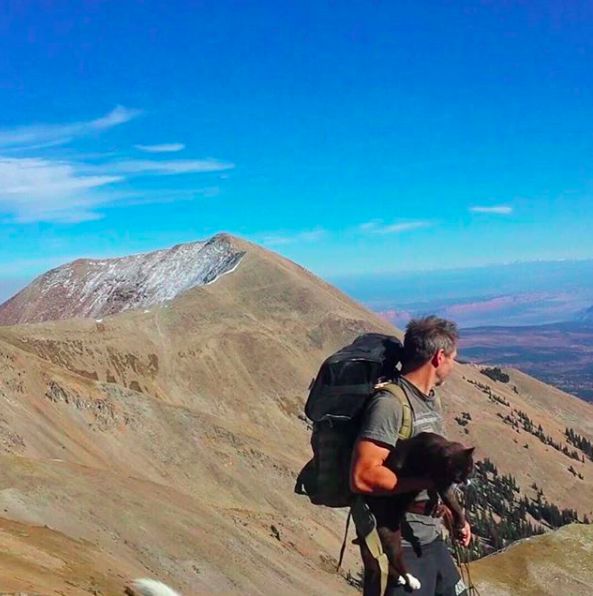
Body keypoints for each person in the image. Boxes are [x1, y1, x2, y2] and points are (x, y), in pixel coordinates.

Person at [350, 316, 471, 596]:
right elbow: (363, 476)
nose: (454, 365)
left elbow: (433, 470)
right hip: (400, 544)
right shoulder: (390, 404)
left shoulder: (429, 400)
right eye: (454, 358)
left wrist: (455, 519)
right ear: (440, 357)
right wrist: (425, 483)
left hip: (430, 538)